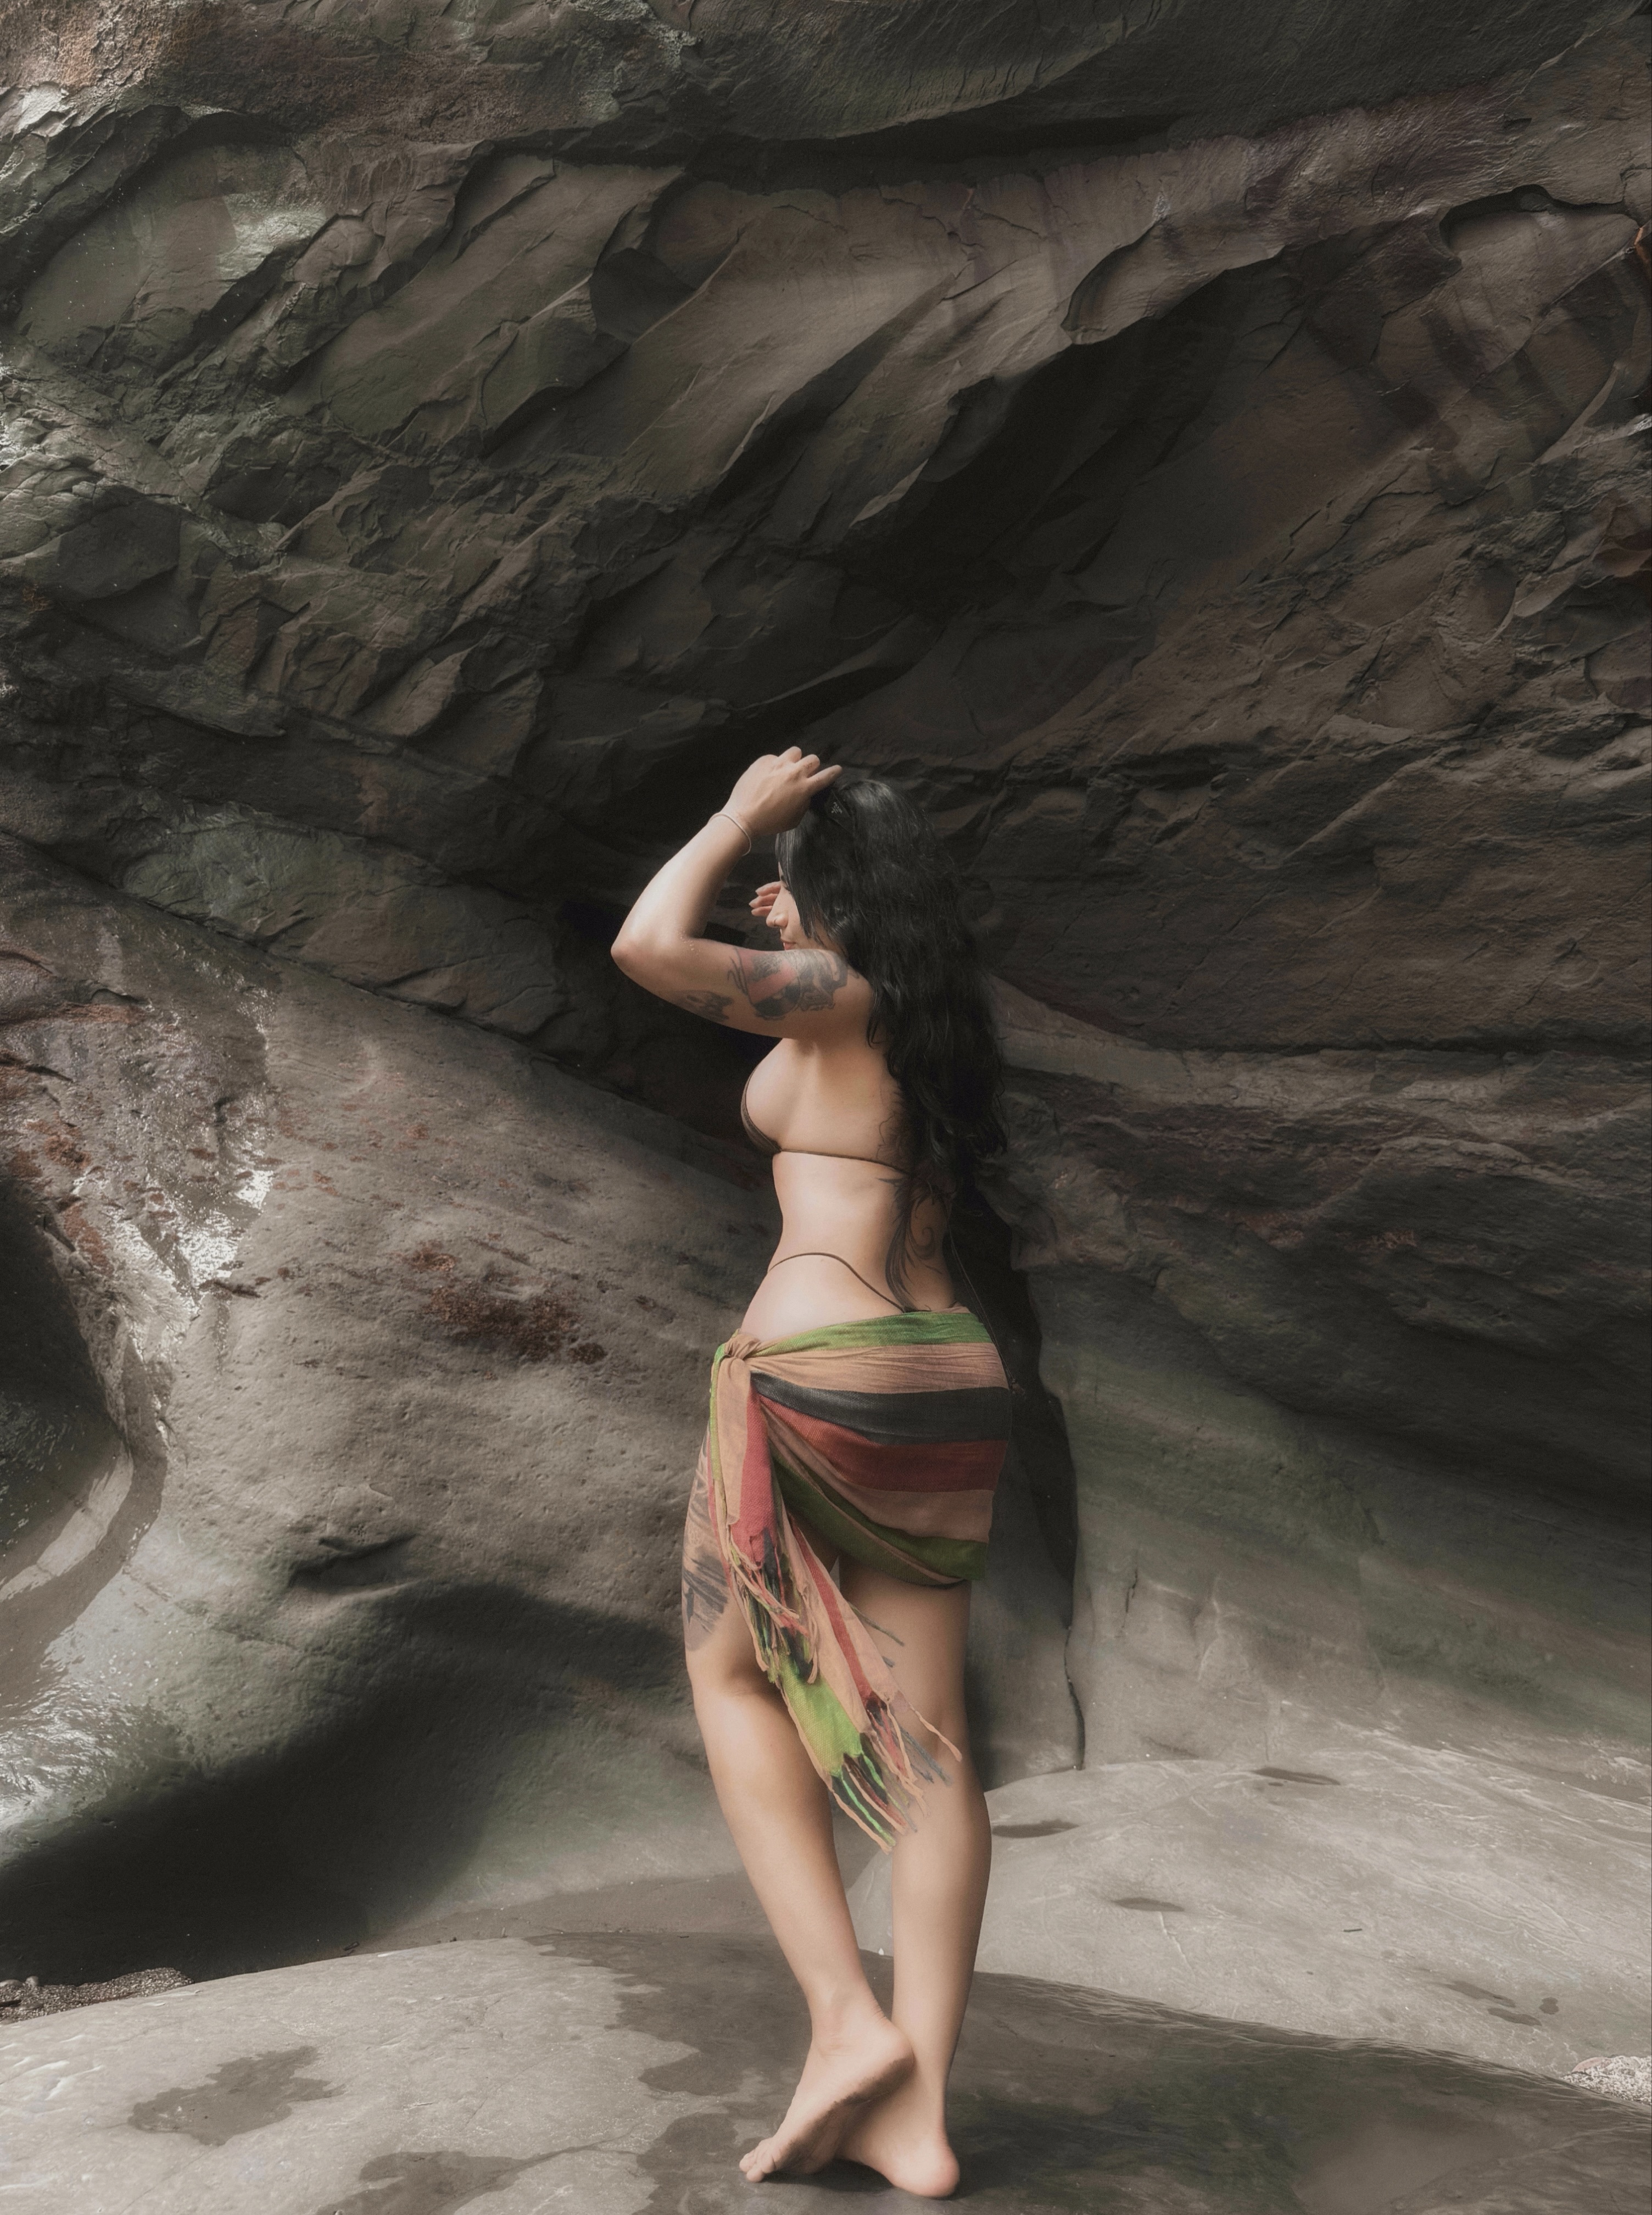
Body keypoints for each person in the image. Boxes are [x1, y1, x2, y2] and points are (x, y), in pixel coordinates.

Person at [611, 746, 1012, 2197]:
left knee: (731, 1676)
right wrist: (794, 895)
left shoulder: (838, 1002)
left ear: (836, 892)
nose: (768, 898)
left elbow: (648, 948)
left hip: (817, 1376)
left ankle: (847, 2022)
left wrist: (734, 819)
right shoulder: (934, 1020)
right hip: (948, 1378)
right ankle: (921, 2116)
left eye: (791, 880)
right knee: (933, 1745)